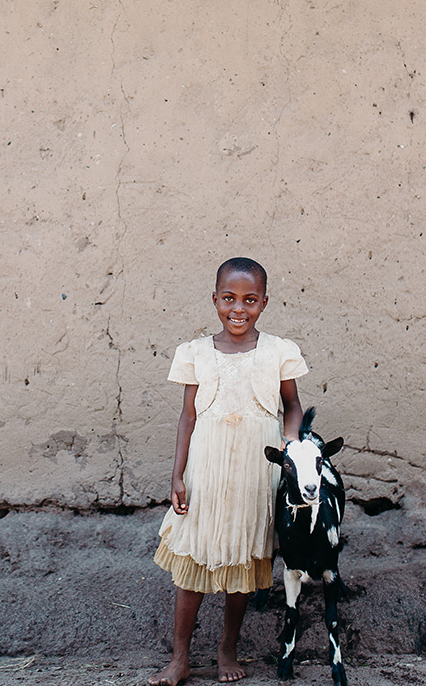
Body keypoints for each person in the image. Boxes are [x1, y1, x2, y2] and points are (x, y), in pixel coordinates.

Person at [149, 257, 308, 685]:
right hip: (207, 470)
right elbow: (187, 418)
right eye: (229, 298)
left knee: (243, 555)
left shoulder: (280, 351)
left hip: (258, 473)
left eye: (250, 300)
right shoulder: (195, 353)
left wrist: (290, 445)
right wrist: (177, 475)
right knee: (194, 559)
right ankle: (180, 658)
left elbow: (291, 407)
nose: (238, 308)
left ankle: (227, 649)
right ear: (215, 299)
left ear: (264, 303)